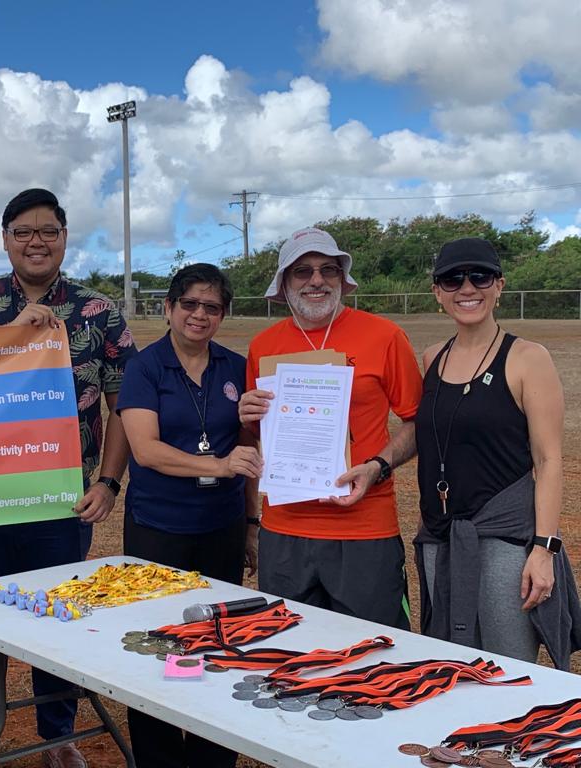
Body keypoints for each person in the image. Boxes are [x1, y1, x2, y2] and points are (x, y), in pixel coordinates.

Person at [0, 188, 135, 768]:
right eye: (23, 231)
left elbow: (124, 403)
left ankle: (58, 734)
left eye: (48, 231)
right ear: (5, 239)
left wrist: (109, 481)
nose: (36, 241)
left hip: (63, 498)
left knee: (56, 616)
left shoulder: (97, 310)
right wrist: (13, 332)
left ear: (65, 238)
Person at [239, 227, 422, 629]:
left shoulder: (385, 336)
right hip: (284, 529)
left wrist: (377, 466)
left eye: (328, 270)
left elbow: (417, 422)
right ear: (284, 282)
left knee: (375, 655)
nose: (317, 280)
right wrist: (247, 416)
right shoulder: (263, 346)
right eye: (302, 271)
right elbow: (258, 437)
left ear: (342, 279)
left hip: (364, 529)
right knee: (285, 654)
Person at [117, 263, 261, 768]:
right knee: (160, 647)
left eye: (212, 307)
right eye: (190, 304)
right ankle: (159, 757)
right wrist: (217, 464)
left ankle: (211, 756)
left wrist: (251, 523)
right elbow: (146, 449)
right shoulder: (145, 367)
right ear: (169, 308)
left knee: (219, 646)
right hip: (159, 529)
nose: (200, 314)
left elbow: (249, 450)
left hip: (219, 529)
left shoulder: (237, 367)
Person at [414, 237, 581, 667]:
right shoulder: (432, 357)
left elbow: (547, 461)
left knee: (509, 667)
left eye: (479, 276)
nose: (466, 288)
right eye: (452, 279)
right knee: (450, 662)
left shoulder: (527, 358)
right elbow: (428, 439)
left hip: (504, 539)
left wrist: (544, 549)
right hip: (441, 535)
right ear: (437, 292)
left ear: (500, 285)